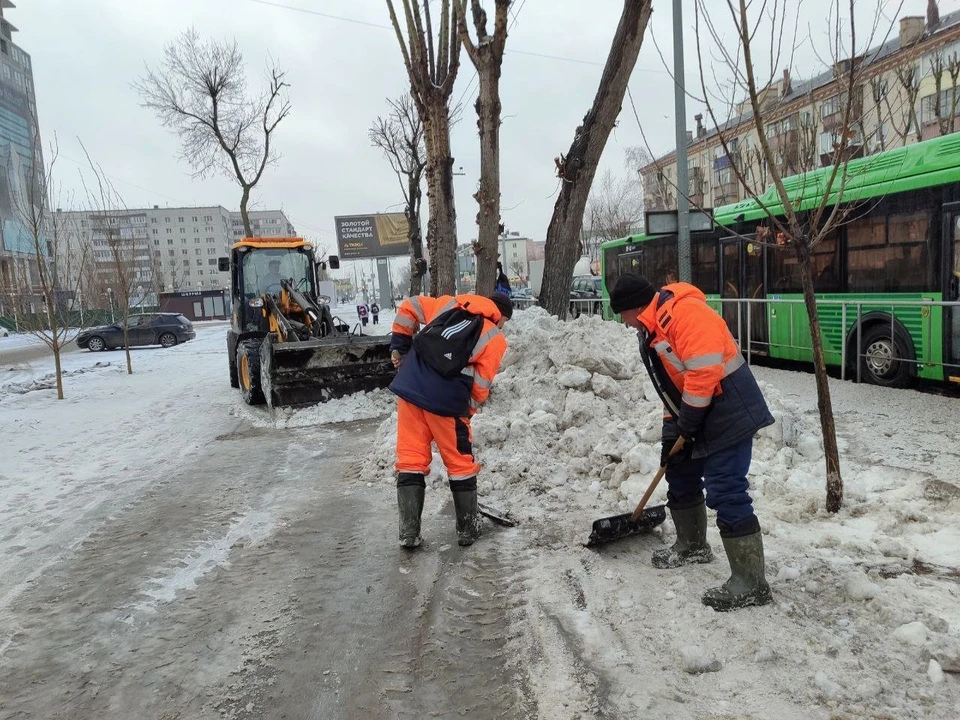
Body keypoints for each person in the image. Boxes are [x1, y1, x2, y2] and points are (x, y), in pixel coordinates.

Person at [609, 273, 775, 611]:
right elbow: (673, 385)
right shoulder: (652, 329)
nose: (625, 325)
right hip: (702, 409)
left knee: (725, 488)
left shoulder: (684, 314)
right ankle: (692, 545)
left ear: (634, 308)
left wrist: (688, 423)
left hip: (730, 408)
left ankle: (752, 583)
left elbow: (703, 372)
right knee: (679, 471)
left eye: (622, 316)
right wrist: (673, 429)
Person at [389, 291, 513, 549]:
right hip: (446, 403)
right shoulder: (494, 337)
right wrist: (467, 409)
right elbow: (481, 385)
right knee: (460, 463)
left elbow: (409, 306)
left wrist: (400, 346)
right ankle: (467, 529)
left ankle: (408, 532)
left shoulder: (448, 303)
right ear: (501, 318)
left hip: (410, 388)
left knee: (410, 459)